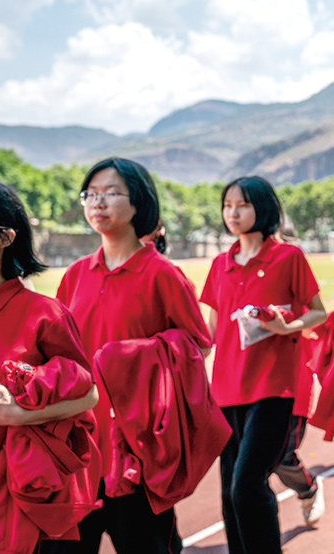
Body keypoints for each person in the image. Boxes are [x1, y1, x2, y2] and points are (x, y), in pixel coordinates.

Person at [56, 158, 213, 553]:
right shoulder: (75, 275)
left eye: (110, 193)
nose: (98, 202)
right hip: (78, 451)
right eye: (90, 194)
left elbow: (197, 344)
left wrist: (131, 357)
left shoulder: (162, 274)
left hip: (136, 451)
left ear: (138, 202)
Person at [199, 177, 327, 554]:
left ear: (263, 208)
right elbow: (211, 329)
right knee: (228, 491)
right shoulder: (220, 264)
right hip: (225, 389)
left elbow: (318, 312)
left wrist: (287, 325)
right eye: (227, 206)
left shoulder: (289, 257)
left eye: (243, 205)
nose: (233, 213)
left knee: (247, 484)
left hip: (274, 388)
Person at [0, 180, 99, 553]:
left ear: (6, 237)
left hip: (22, 493)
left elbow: (88, 395)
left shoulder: (43, 314)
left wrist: (17, 415)